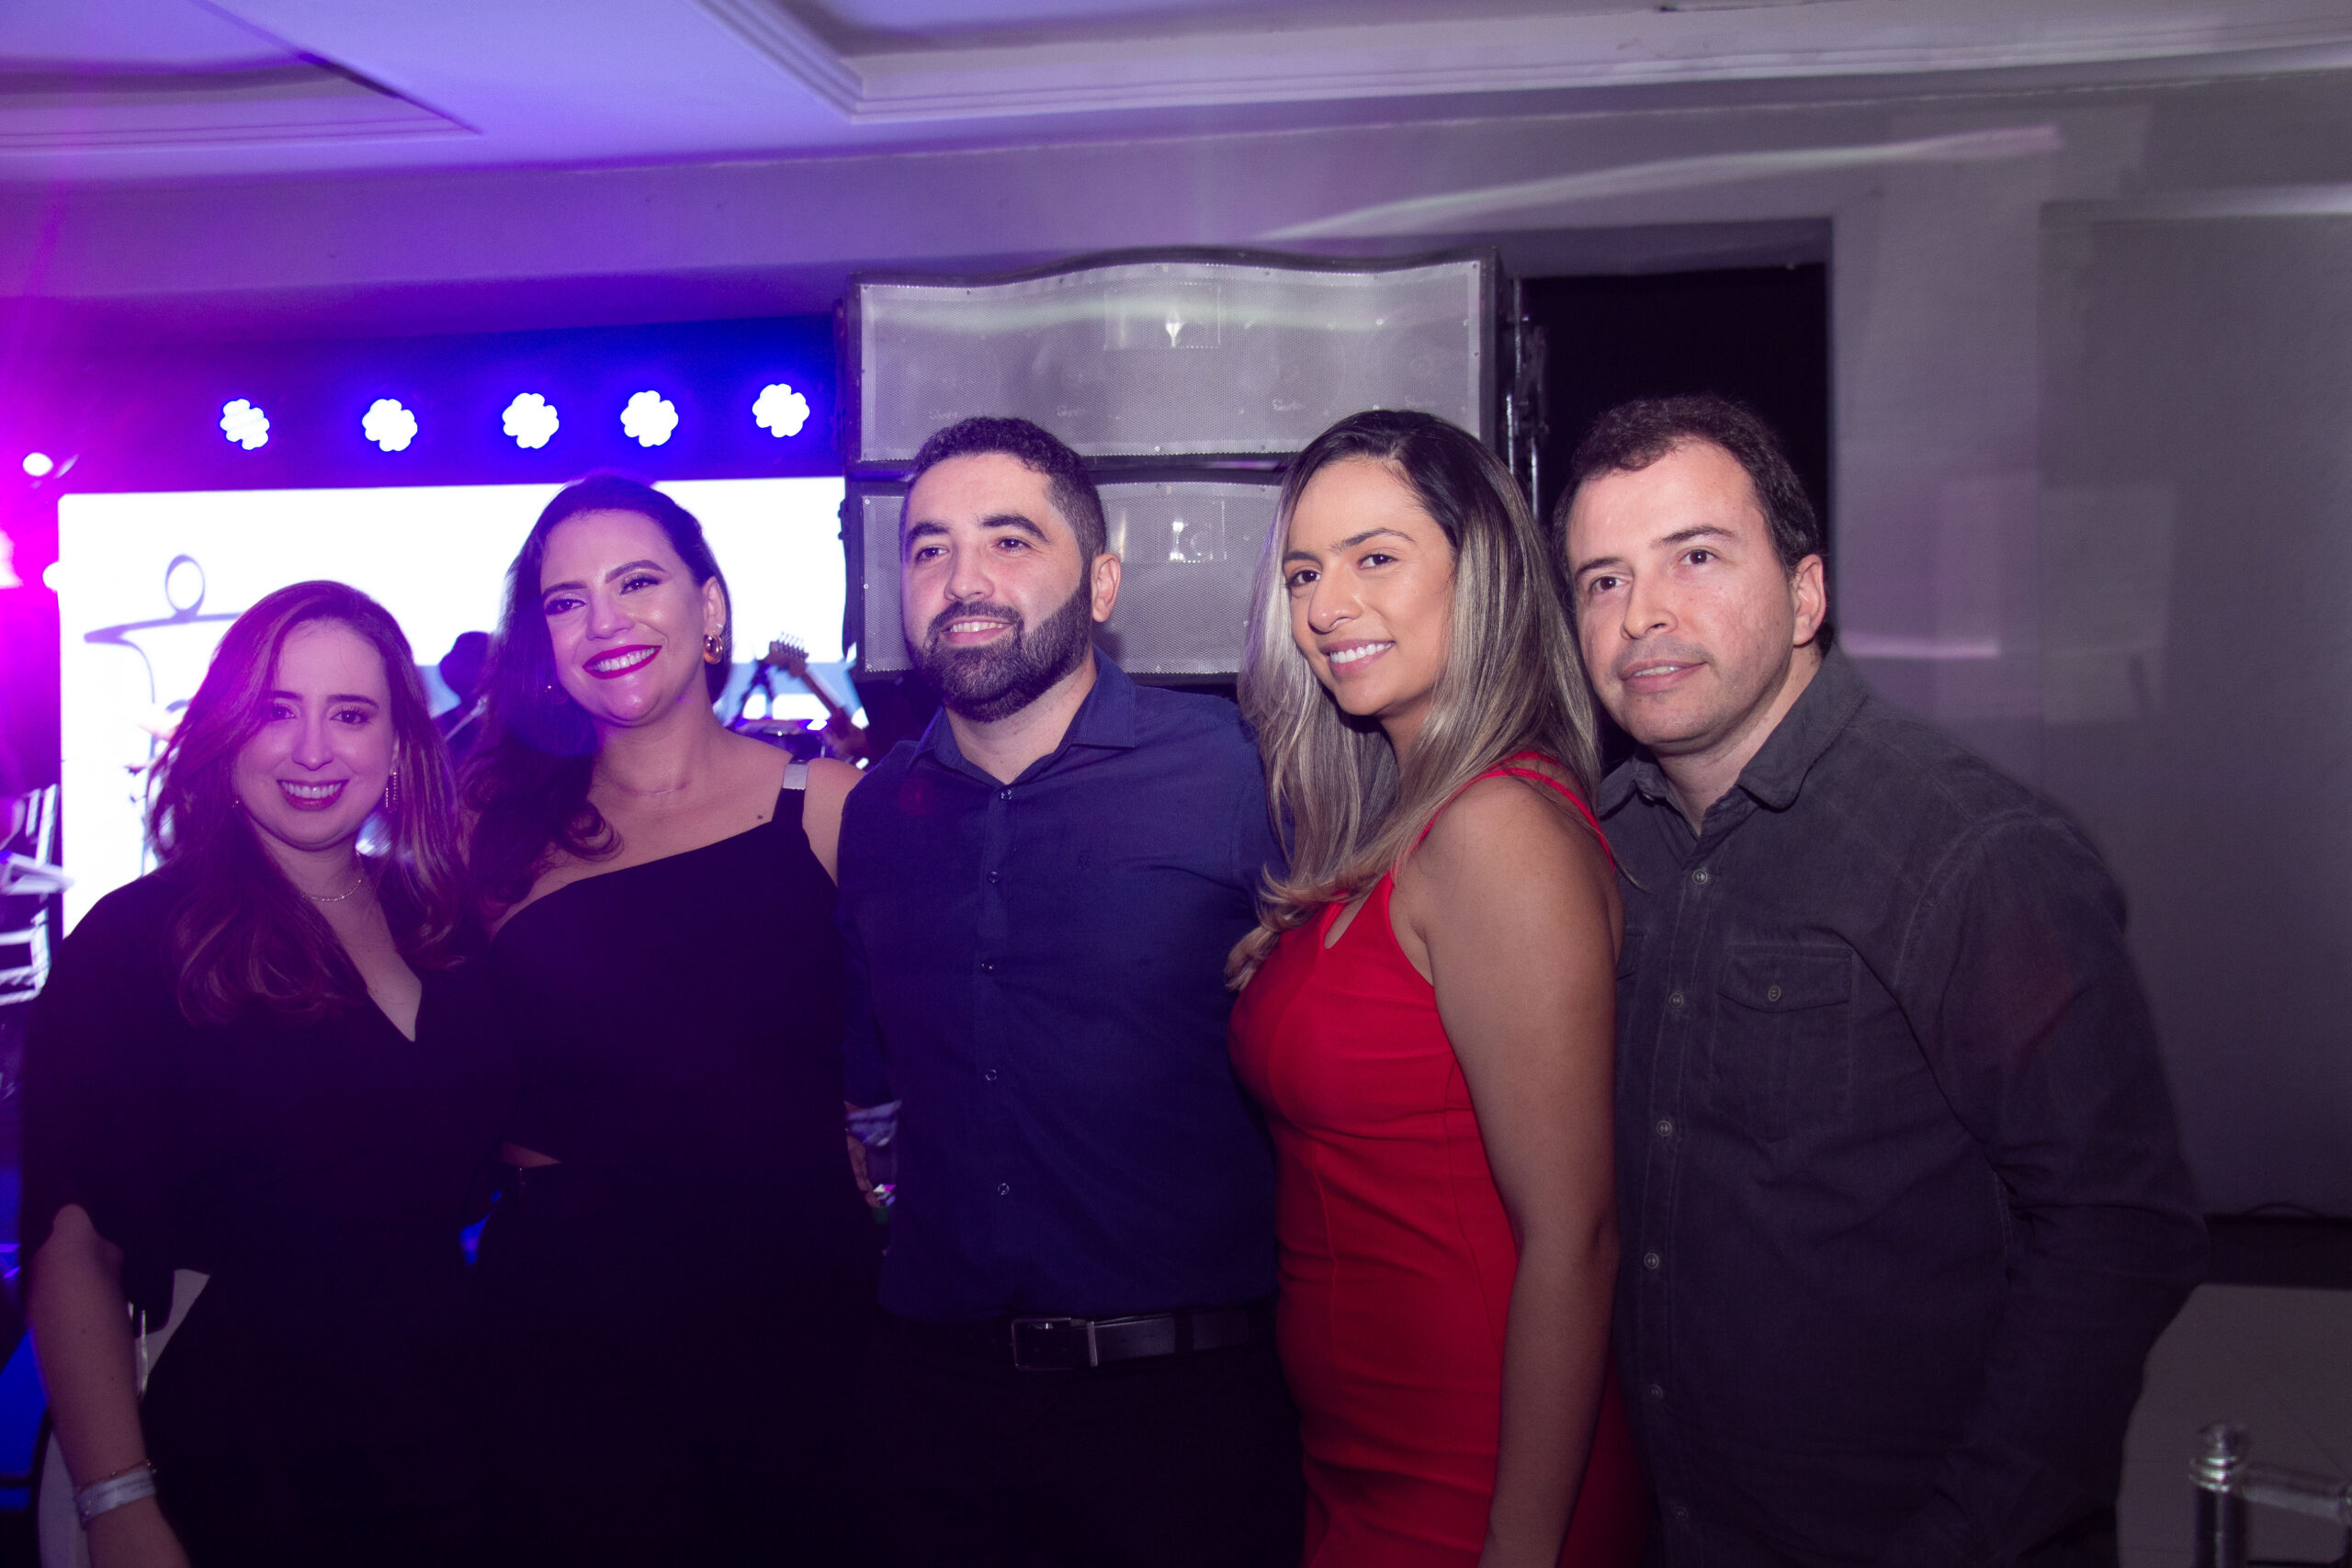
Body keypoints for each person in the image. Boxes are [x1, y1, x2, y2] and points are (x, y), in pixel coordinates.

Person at [1555, 395, 2206, 1565]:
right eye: (1604, 580)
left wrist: (1966, 1537)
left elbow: (2116, 1230)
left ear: (1806, 594)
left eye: (1694, 557)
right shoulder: (1603, 847)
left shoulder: (1972, 853)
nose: (1641, 612)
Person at [836, 416, 1303, 1567]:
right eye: (930, 549)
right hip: (937, 1412)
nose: (963, 580)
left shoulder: (1239, 773)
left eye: (1009, 540)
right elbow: (871, 1089)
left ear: (1099, 584)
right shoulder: (878, 814)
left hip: (1185, 1414)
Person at [1226, 411, 1649, 1568]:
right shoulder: (1397, 828)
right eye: (1303, 573)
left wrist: (1520, 1546)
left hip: (1476, 1481)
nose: (1326, 607)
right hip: (1355, 1464)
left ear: (1486, 575)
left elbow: (1576, 1236)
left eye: (1375, 557)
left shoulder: (1498, 830)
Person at [20, 580, 509, 1565]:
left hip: (444, 1453)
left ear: (399, 746)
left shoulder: (440, 927)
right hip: (235, 1467)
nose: (313, 750)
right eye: (277, 711)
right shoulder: (138, 942)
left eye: (352, 714)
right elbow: (75, 1246)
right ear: (225, 732)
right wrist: (118, 1504)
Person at [460, 474, 877, 1565]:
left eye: (636, 582)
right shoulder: (499, 841)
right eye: (567, 601)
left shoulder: (826, 808)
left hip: (799, 1330)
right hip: (569, 1345)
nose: (604, 622)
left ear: (709, 608)